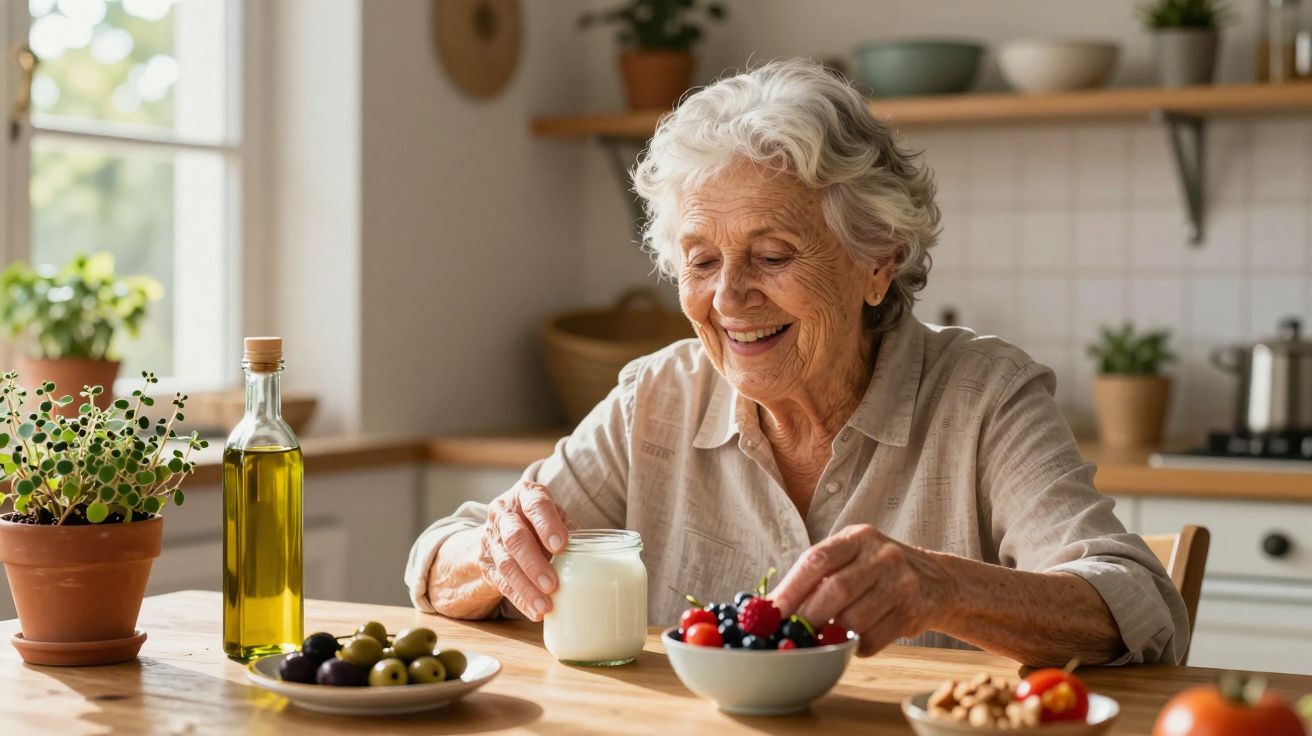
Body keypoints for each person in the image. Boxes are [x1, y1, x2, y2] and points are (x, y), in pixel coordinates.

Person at [405, 58, 1189, 665]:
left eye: (773, 255)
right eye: (701, 261)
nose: (730, 298)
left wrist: (940, 587)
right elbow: (438, 556)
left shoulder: (984, 397)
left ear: (877, 259)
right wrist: (494, 552)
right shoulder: (657, 397)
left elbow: (1139, 606)